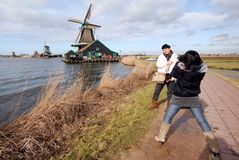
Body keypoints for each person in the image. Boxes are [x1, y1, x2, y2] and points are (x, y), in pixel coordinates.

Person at [155, 50, 220, 156]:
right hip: (193, 98)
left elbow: (172, 75)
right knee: (202, 121)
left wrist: (177, 64)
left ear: (186, 58)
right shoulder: (201, 71)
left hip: (178, 97)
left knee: (168, 117)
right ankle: (214, 147)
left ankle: (161, 137)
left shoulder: (180, 67)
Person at [150, 44, 178, 109]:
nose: (165, 50)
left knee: (170, 91)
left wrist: (172, 61)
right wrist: (167, 63)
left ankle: (169, 105)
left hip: (171, 75)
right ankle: (154, 104)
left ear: (169, 48)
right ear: (162, 50)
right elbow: (158, 65)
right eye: (164, 49)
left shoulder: (175, 55)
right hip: (162, 75)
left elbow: (177, 64)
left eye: (167, 49)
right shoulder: (160, 56)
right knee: (157, 90)